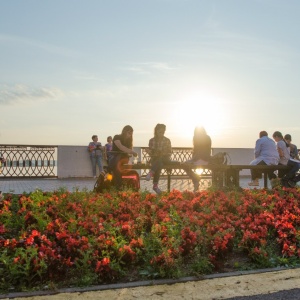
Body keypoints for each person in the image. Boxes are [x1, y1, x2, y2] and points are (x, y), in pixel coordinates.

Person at [145, 124, 177, 195]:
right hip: (156, 159)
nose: (162, 133)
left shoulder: (167, 140)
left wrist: (159, 152)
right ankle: (155, 186)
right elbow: (151, 153)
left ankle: (151, 173)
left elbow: (169, 152)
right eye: (160, 131)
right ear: (156, 131)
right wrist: (150, 152)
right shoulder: (152, 140)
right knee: (159, 163)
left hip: (165, 159)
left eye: (163, 132)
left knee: (160, 159)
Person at [182, 126, 212, 192]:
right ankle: (195, 179)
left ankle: (195, 179)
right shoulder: (207, 137)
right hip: (205, 159)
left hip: (200, 159)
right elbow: (208, 150)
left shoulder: (197, 137)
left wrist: (193, 159)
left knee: (184, 165)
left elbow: (196, 150)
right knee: (184, 164)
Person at [109, 125, 138, 190]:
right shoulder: (117, 137)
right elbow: (120, 147)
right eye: (129, 132)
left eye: (131, 133)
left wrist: (131, 152)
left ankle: (129, 186)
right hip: (116, 157)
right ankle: (118, 186)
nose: (130, 134)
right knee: (117, 167)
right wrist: (132, 152)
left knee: (128, 168)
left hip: (124, 158)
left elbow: (129, 151)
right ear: (124, 131)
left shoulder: (129, 141)